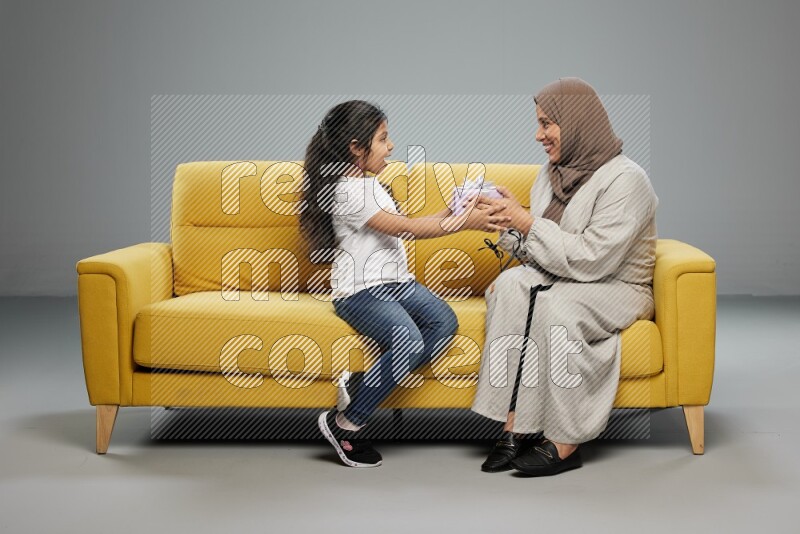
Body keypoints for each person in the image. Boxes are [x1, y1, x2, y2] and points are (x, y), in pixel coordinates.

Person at [300, 100, 510, 468]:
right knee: (408, 341)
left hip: (396, 283)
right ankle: (345, 423)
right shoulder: (347, 192)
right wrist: (467, 223)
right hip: (361, 291)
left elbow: (411, 222)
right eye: (383, 139)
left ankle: (361, 383)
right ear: (355, 147)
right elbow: (408, 230)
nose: (391, 146)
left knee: (443, 322)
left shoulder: (370, 185)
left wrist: (457, 208)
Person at [470, 78, 659, 476]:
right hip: (570, 277)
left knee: (557, 307)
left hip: (617, 286)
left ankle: (567, 439)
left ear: (576, 122)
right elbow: (542, 255)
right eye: (539, 124)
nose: (538, 135)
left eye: (547, 124)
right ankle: (516, 422)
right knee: (509, 285)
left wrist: (527, 222)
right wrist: (508, 223)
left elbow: (593, 259)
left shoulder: (627, 180)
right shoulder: (551, 173)